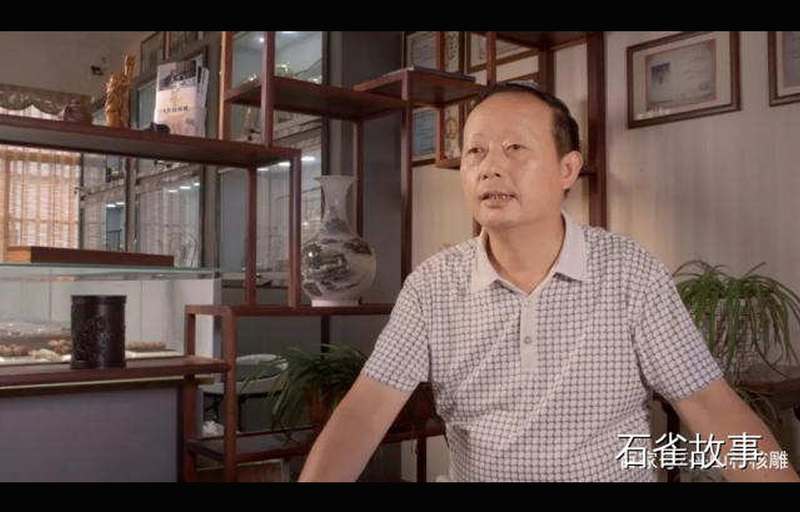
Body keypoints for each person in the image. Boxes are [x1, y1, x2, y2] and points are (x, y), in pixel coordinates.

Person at [298, 82, 800, 482]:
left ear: (567, 169)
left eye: (515, 148)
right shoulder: (431, 286)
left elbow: (713, 409)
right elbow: (362, 415)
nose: (490, 167)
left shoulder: (628, 271)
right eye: (475, 152)